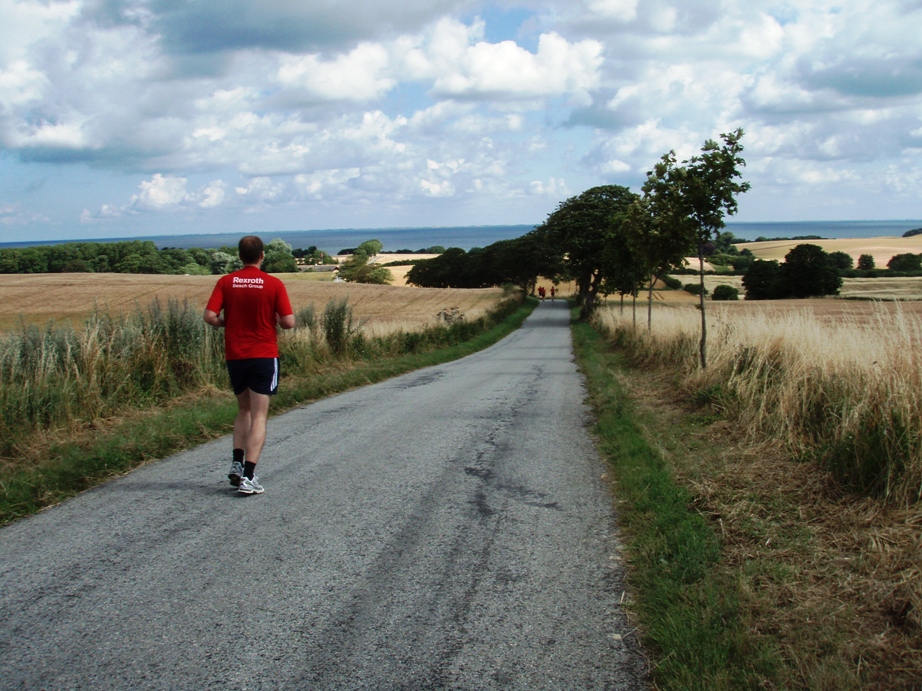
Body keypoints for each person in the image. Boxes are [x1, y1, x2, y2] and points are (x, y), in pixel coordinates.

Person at [203, 236, 295, 495]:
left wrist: (226, 324)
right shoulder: (273, 283)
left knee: (243, 410)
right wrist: (275, 318)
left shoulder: (226, 281)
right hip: (264, 354)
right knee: (259, 415)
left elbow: (209, 316)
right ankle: (249, 476)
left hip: (235, 355)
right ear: (262, 255)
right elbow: (288, 322)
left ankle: (236, 462)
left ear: (240, 256)